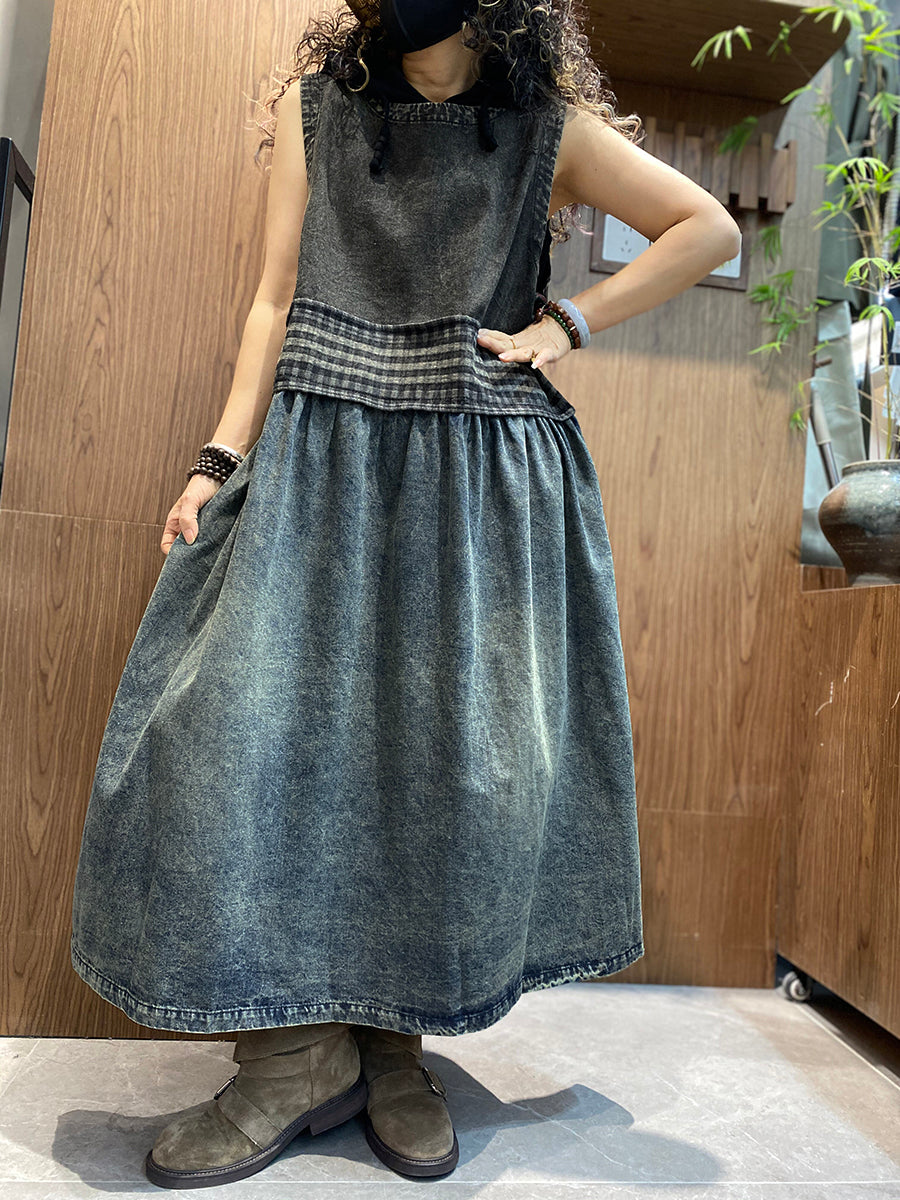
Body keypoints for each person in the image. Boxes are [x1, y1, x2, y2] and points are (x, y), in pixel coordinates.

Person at [68, 0, 742, 1189]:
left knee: (443, 768)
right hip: (318, 462)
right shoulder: (316, 110)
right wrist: (216, 459)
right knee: (244, 744)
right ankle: (290, 1057)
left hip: (477, 487)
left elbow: (707, 228)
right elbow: (275, 299)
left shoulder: (548, 127)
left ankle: (393, 1043)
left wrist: (564, 324)